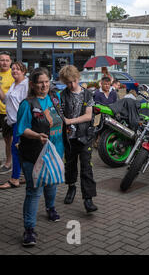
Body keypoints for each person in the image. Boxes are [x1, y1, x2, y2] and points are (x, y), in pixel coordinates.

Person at [16, 67, 65, 247]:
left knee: (52, 182)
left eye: (47, 81)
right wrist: (36, 135)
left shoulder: (55, 98)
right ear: (32, 84)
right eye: (40, 82)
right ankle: (29, 230)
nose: (44, 85)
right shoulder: (27, 104)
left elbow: (61, 119)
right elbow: (21, 129)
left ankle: (50, 208)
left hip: (56, 151)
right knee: (34, 190)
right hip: (34, 154)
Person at [58, 65, 97, 213]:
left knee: (87, 167)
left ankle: (88, 199)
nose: (71, 85)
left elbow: (88, 116)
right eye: (67, 82)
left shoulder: (88, 95)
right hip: (69, 138)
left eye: (73, 81)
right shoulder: (62, 95)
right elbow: (60, 114)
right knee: (70, 165)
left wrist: (70, 121)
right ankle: (71, 187)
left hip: (85, 136)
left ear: (78, 78)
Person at [0, 61, 29, 189]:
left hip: (20, 122)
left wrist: (23, 122)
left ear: (23, 71)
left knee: (15, 149)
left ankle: (14, 179)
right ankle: (25, 175)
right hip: (13, 122)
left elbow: (27, 105)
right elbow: (6, 100)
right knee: (21, 149)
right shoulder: (14, 84)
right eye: (13, 69)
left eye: (17, 69)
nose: (14, 71)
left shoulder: (25, 84)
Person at [0, 51, 15, 174]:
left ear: (10, 62)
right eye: (2, 60)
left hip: (6, 112)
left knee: (8, 139)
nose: (4, 62)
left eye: (6, 60)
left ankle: (8, 162)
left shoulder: (13, 74)